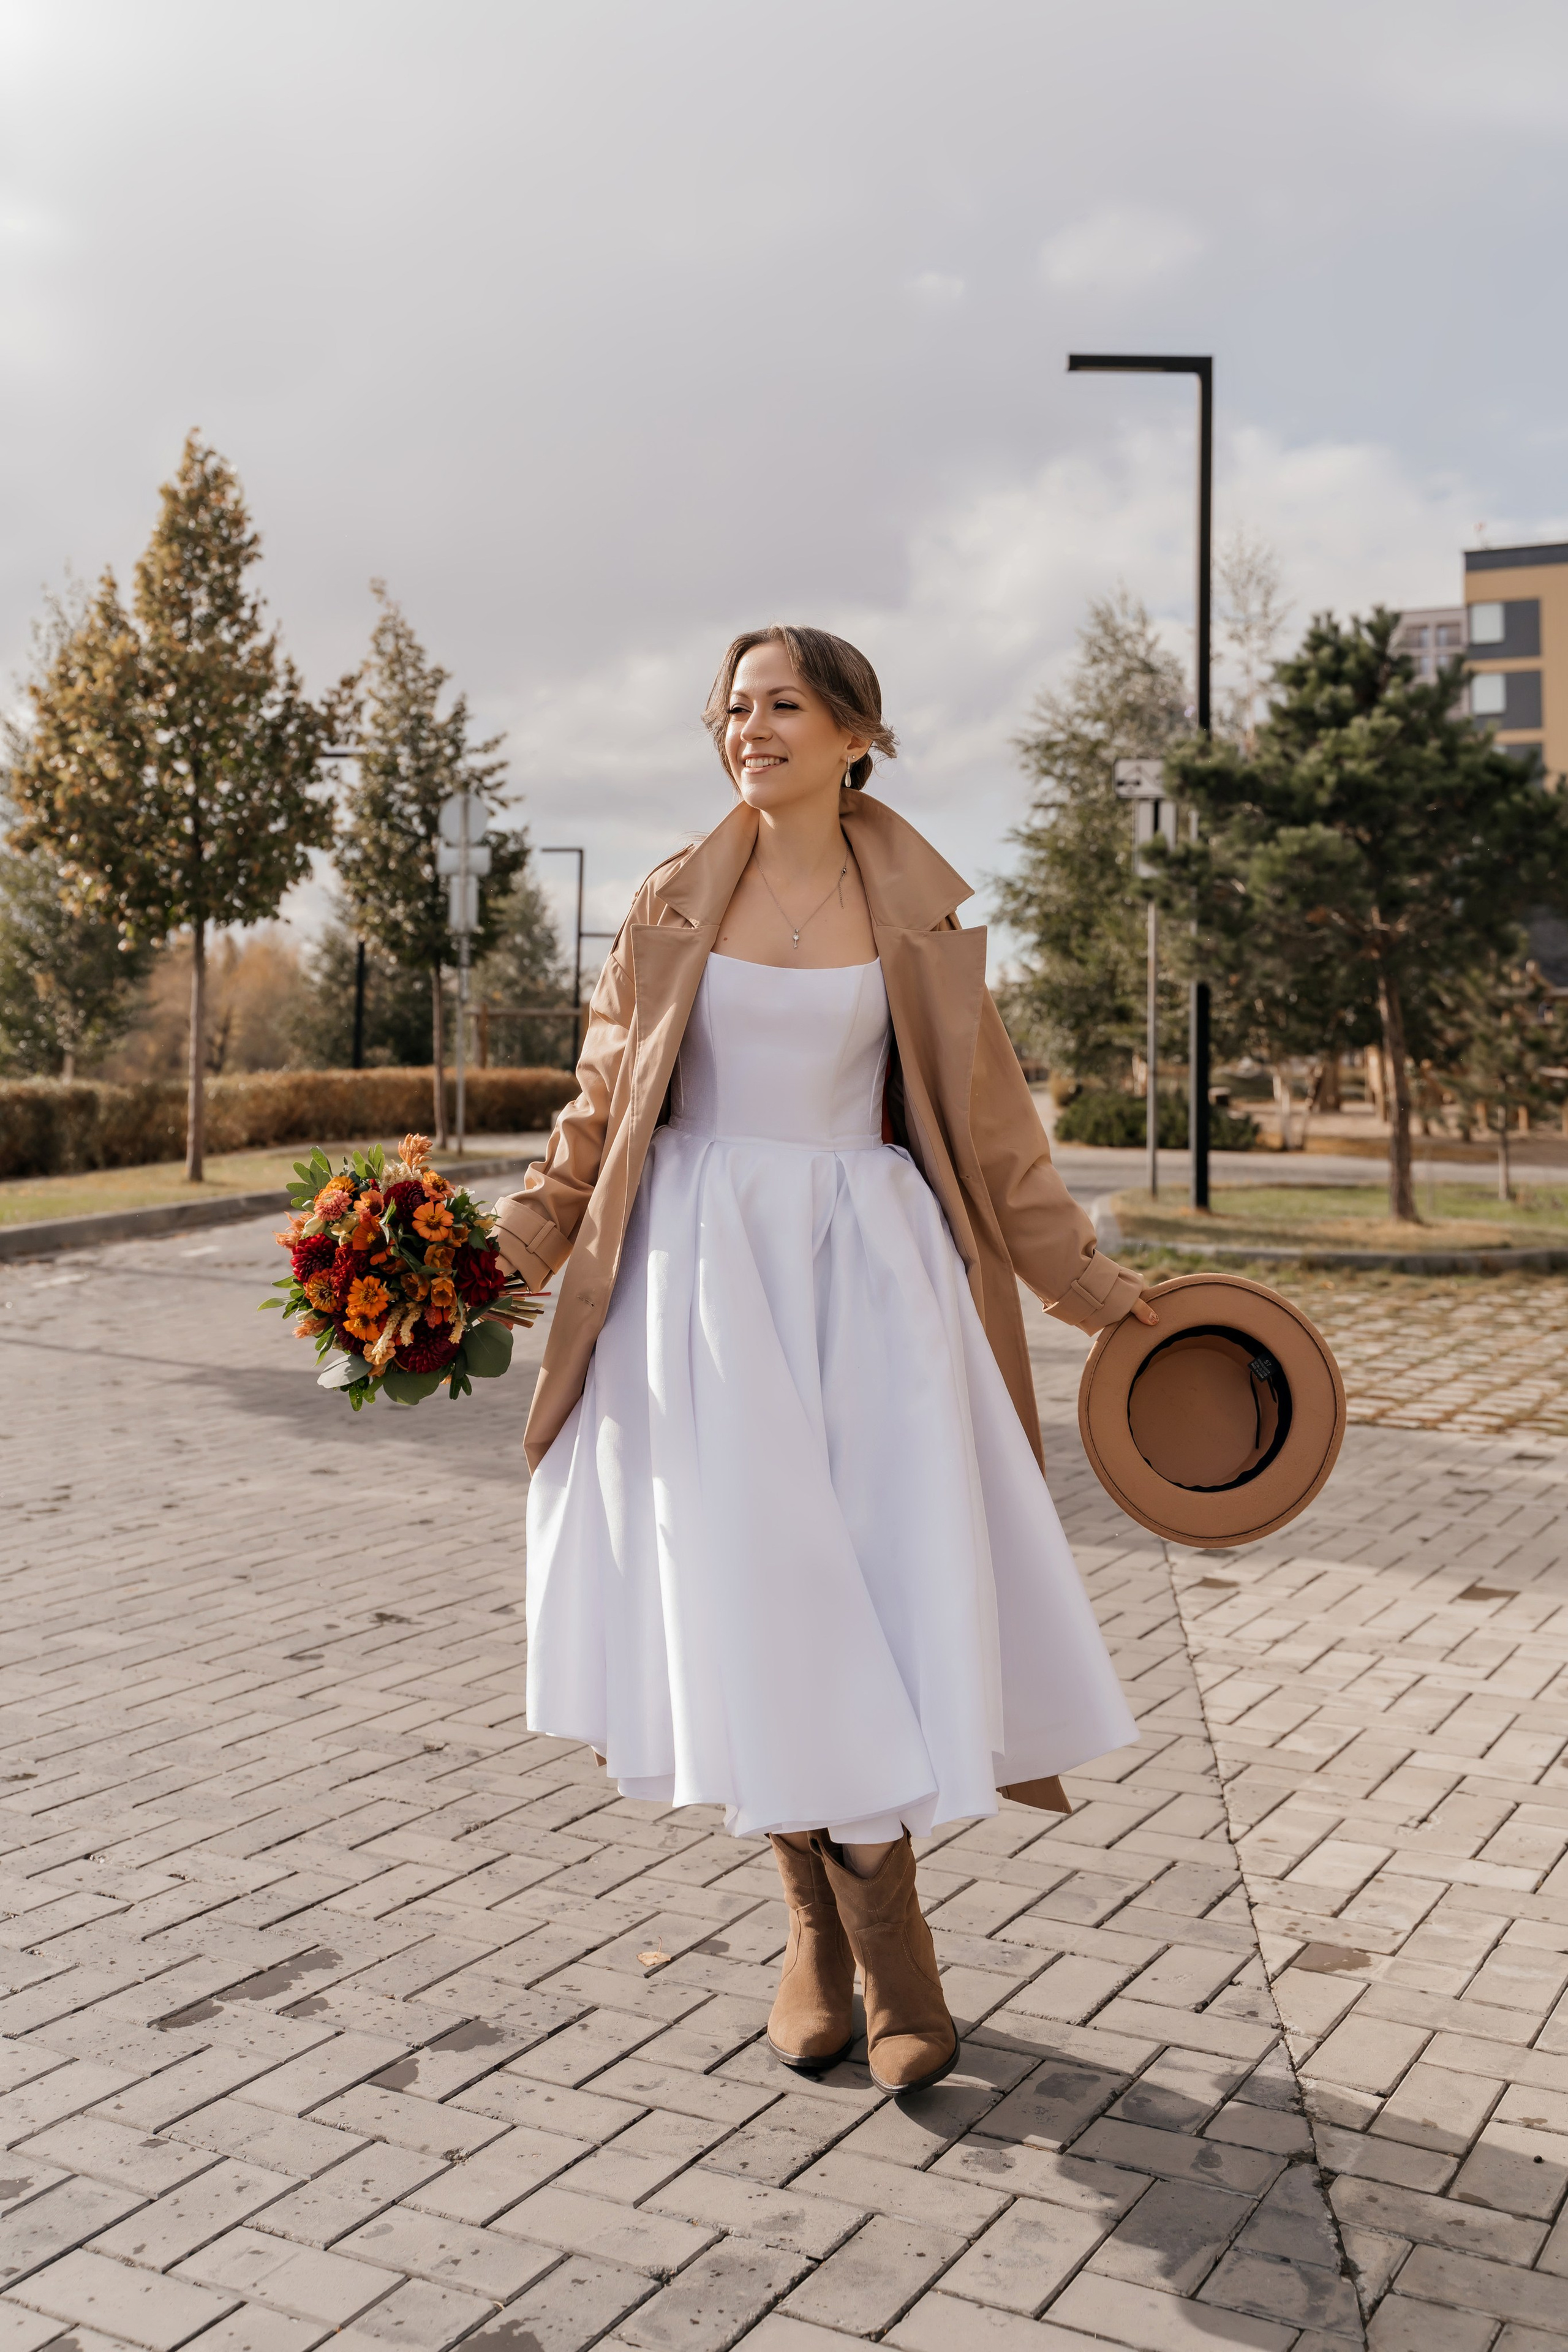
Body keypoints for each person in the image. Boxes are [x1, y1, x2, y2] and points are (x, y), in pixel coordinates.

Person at [494, 625, 1157, 2095]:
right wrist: (507, 1256)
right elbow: (599, 1111)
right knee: (767, 1590)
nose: (749, 728)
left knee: (865, 1579)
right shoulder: (672, 896)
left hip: (870, 1278)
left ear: (855, 729)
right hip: (699, 1284)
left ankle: (886, 1937)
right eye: (732, 707)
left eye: (781, 704)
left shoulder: (916, 911)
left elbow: (992, 1136)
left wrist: (1092, 1287)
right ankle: (826, 1930)